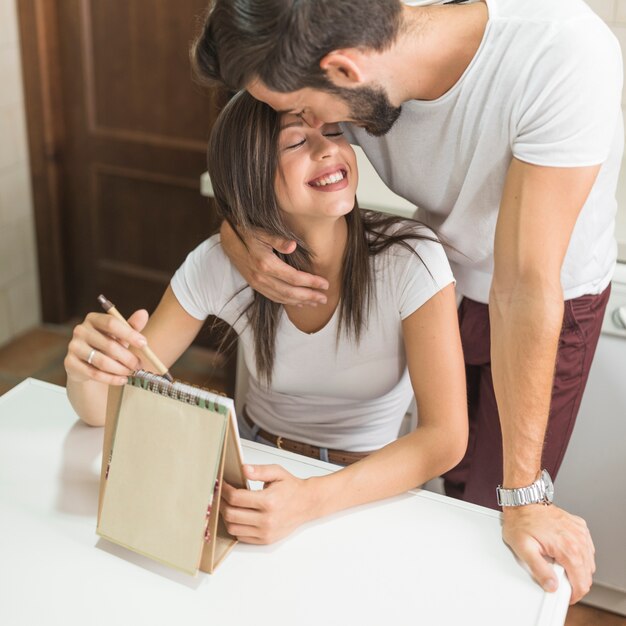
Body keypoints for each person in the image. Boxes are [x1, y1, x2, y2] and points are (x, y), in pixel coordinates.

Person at [191, 0, 624, 602]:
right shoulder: (357, 43)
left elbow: (524, 283)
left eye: (308, 113)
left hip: (543, 302)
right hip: (446, 274)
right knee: (439, 506)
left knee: (493, 526)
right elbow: (255, 159)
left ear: (344, 72)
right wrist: (239, 235)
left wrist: (525, 496)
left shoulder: (563, 56)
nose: (312, 129)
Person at [64, 90, 468, 546]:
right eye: (296, 143)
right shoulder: (220, 263)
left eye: (334, 131)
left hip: (366, 483)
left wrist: (311, 499)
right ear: (250, 175)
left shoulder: (410, 258)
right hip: (253, 470)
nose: (329, 149)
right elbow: (101, 409)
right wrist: (86, 372)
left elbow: (445, 438)